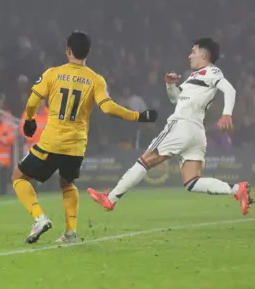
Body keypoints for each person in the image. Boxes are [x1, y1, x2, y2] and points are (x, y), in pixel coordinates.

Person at [13, 31, 157, 244]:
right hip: (77, 146)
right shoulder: (95, 79)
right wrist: (138, 116)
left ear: (68, 50)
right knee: (67, 183)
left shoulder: (53, 73)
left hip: (52, 141)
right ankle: (70, 232)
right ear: (88, 52)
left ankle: (39, 218)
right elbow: (107, 108)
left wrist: (30, 119)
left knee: (18, 176)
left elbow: (33, 100)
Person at [88, 38, 252, 214]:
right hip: (196, 132)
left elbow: (230, 90)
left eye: (193, 52)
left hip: (181, 125)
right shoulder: (194, 77)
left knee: (144, 161)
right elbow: (176, 99)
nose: (190, 55)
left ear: (204, 55)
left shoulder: (212, 71)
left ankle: (111, 198)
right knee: (192, 181)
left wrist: (227, 114)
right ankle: (237, 189)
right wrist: (170, 84)